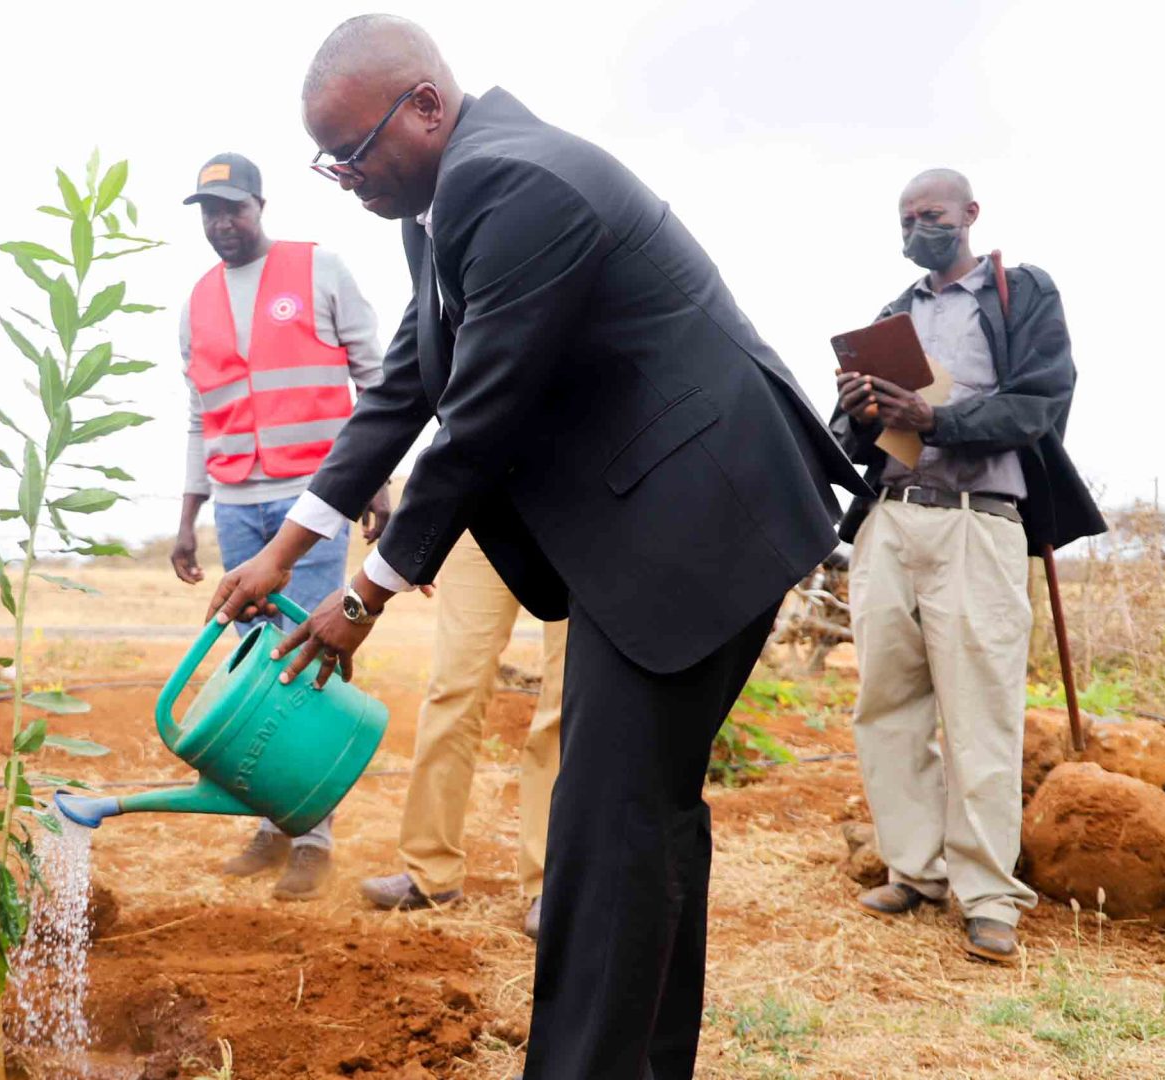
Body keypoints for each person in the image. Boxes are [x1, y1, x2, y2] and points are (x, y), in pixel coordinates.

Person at [207, 18, 867, 1078]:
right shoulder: (448, 208)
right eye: (326, 159)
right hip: (665, 525)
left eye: (355, 149)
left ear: (424, 104)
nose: (342, 176)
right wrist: (290, 547)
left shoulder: (516, 185)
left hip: (700, 520)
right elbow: (407, 388)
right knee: (638, 818)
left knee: (610, 827)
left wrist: (366, 595)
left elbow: (482, 415)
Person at [832, 169, 1104, 963]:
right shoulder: (892, 315)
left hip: (977, 525)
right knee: (886, 703)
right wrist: (856, 411)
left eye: (933, 214)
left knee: (981, 711)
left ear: (970, 215)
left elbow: (1040, 404)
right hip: (889, 521)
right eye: (907, 217)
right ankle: (916, 870)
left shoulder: (1021, 293)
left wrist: (937, 418)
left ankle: (988, 894)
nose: (919, 227)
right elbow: (851, 442)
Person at [170, 151, 388, 901]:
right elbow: (200, 415)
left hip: (314, 500)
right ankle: (271, 817)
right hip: (235, 502)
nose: (221, 223)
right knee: (255, 661)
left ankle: (314, 831)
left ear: (261, 206)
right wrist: (187, 514)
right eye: (208, 212)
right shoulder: (195, 303)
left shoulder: (319, 269)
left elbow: (380, 380)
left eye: (233, 208)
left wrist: (378, 480)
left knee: (311, 648)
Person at [358, 534, 565, 940]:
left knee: (565, 700)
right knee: (453, 687)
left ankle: (552, 882)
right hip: (487, 510)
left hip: (582, 513)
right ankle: (429, 870)